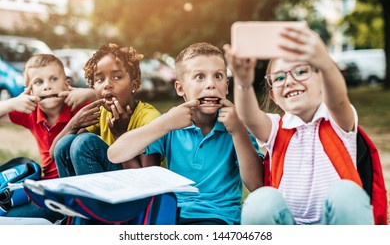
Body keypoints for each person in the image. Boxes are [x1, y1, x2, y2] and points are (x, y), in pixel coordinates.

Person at [224, 23, 374, 225]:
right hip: (290, 225)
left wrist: (324, 63)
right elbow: (248, 116)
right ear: (273, 95)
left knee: (347, 193)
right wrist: (243, 83)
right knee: (261, 200)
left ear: (322, 79)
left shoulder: (337, 119)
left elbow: (338, 99)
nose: (289, 81)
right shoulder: (276, 128)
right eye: (279, 77)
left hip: (334, 224)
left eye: (301, 72)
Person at [108, 42, 264, 225]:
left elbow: (257, 185)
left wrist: (238, 131)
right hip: (171, 217)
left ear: (227, 86)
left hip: (219, 219)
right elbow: (115, 154)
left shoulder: (237, 125)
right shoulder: (170, 124)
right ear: (180, 88)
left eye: (218, 76)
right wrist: (165, 124)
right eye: (199, 77)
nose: (211, 85)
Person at [0, 53, 96, 223]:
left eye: (53, 79)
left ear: (67, 84)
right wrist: (13, 103)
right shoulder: (30, 112)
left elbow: (117, 99)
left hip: (77, 185)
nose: (47, 87)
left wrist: (90, 94)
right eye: (38, 82)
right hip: (47, 188)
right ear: (28, 91)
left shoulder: (80, 107)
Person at [53, 43, 161, 178]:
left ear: (134, 84)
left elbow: (149, 182)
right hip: (116, 183)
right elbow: (56, 152)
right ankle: (75, 198)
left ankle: (91, 199)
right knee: (65, 144)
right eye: (99, 79)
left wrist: (120, 135)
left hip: (141, 190)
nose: (107, 85)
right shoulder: (102, 113)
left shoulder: (149, 119)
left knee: (85, 143)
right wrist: (74, 124)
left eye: (116, 77)